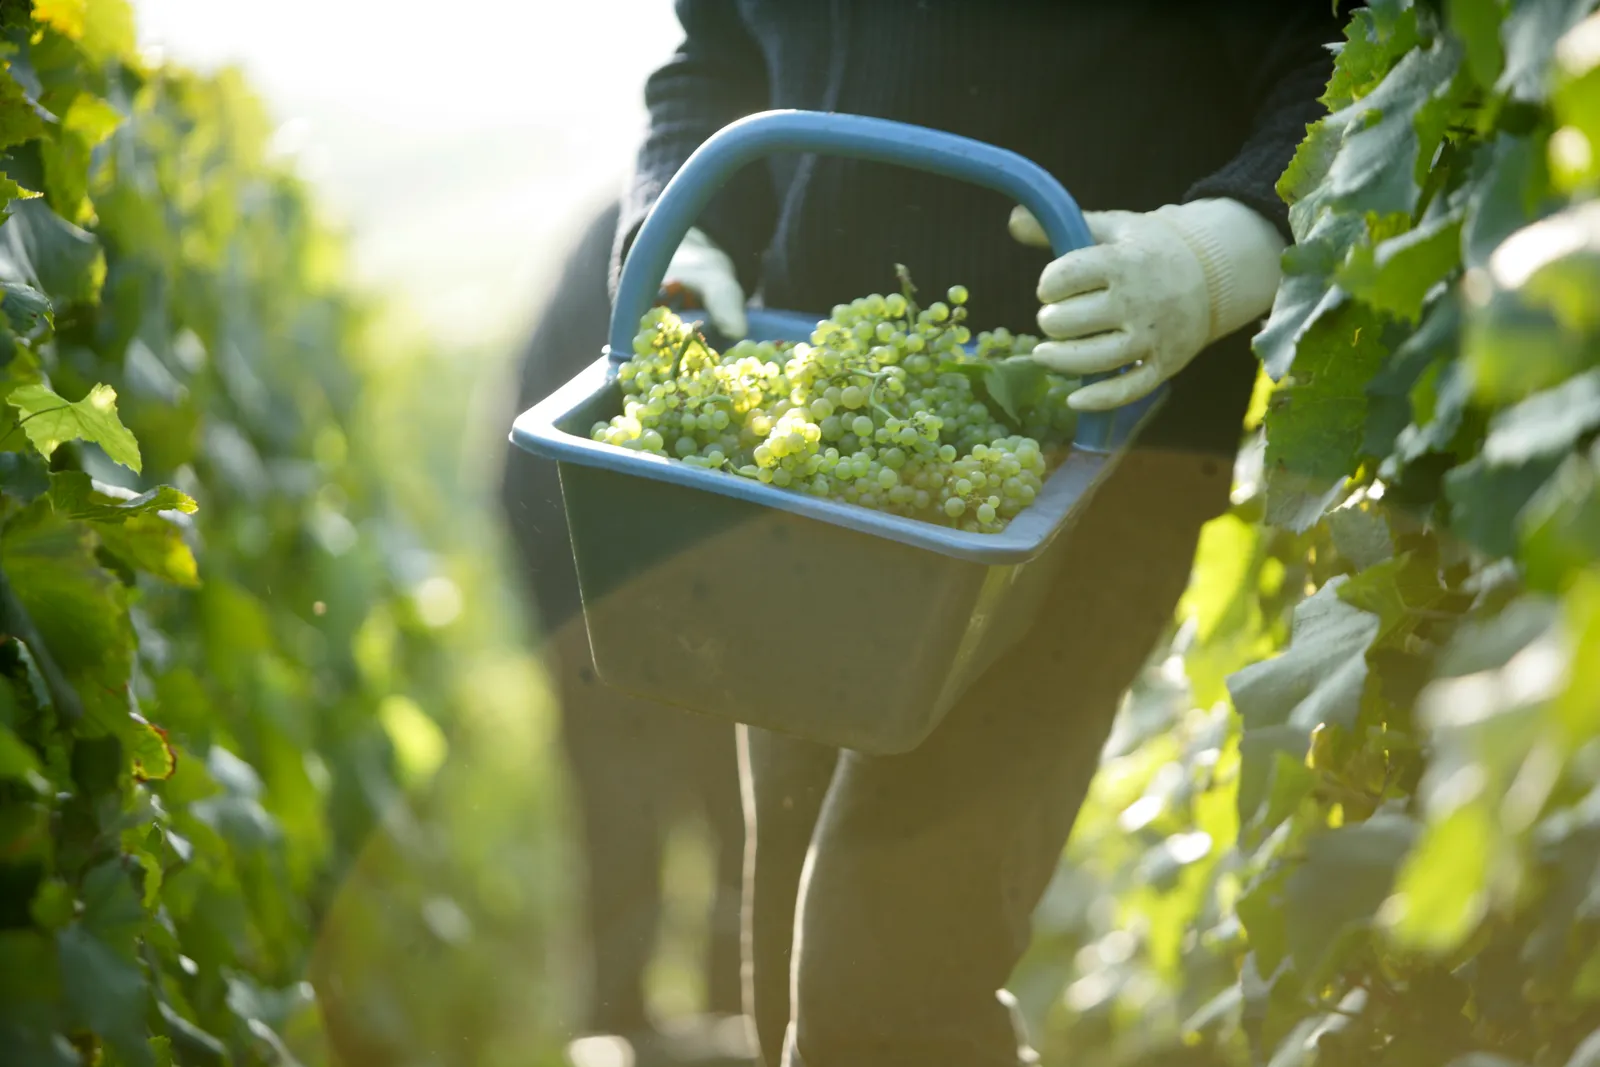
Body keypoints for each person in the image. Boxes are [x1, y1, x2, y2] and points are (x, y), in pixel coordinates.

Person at [614, 4, 1348, 1066]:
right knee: (790, 977)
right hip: (811, 442)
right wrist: (682, 236)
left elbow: (1332, 69)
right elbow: (714, 51)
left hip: (1086, 459)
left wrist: (1214, 251)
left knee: (883, 986)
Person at [498, 199, 755, 1067]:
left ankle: (736, 1017)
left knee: (730, 801)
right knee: (628, 806)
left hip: (688, 567)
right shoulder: (687, 219)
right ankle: (624, 1030)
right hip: (579, 556)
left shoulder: (686, 198)